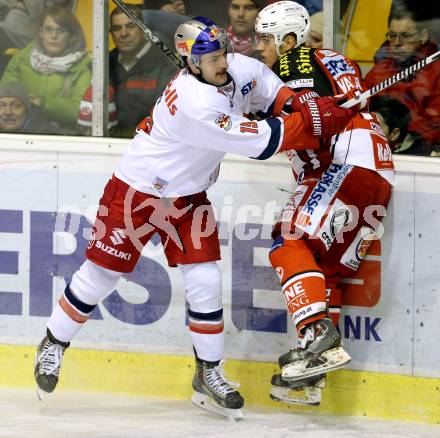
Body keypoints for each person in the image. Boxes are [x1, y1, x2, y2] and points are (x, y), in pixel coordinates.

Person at [33, 15, 359, 419]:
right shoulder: (195, 105)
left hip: (187, 197)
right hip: (137, 191)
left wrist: (308, 106)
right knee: (100, 275)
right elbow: (267, 141)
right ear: (190, 64)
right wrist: (317, 119)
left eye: (223, 52)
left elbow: (277, 96)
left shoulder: (237, 67)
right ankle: (53, 344)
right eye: (211, 58)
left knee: (205, 277)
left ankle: (209, 372)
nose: (223, 62)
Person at [255, 1, 394, 406]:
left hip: (346, 164)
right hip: (372, 172)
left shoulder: (295, 62)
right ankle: (311, 379)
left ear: (291, 40)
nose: (259, 46)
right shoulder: (328, 60)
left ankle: (316, 336)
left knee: (289, 239)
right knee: (324, 272)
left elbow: (302, 122)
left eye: (266, 38)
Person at [0, 6, 91, 135]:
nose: (54, 36)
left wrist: (44, 103)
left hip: (63, 137)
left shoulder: (82, 66)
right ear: (40, 33)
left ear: (71, 35)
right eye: (48, 29)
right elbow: (5, 98)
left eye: (61, 30)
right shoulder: (20, 59)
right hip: (22, 132)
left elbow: (82, 110)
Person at [364, 6, 440, 156]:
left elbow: (436, 122)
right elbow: (363, 107)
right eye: (392, 35)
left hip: (421, 153)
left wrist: (403, 136)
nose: (397, 43)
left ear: (423, 36)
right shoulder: (380, 69)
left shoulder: (436, 71)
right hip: (378, 148)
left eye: (405, 36)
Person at [109, 5, 176, 137]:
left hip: (148, 146)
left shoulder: (166, 66)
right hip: (109, 144)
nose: (123, 33)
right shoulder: (105, 64)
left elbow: (165, 121)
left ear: (144, 29)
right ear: (111, 34)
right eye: (117, 28)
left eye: (130, 26)